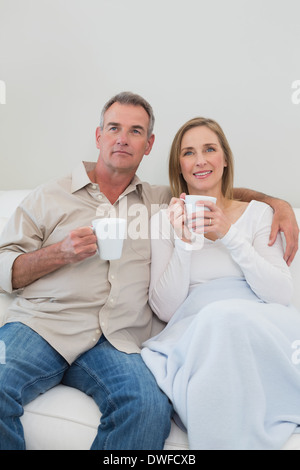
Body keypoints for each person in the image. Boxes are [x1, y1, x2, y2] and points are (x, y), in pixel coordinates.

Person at [0, 94, 298, 450]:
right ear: (99, 136)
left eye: (135, 131)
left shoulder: (161, 202)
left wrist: (277, 204)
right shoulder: (49, 196)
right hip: (44, 325)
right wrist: (58, 254)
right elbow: (5, 267)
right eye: (114, 128)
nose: (123, 138)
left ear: (149, 144)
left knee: (148, 408)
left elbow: (209, 183)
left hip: (116, 340)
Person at [141, 117, 300, 450]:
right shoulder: (164, 220)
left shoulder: (258, 214)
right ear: (180, 167)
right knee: (218, 318)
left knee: (225, 317)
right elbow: (167, 309)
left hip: (261, 322)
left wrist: (229, 234)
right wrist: (184, 242)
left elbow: (281, 293)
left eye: (209, 149)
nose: (200, 160)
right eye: (189, 153)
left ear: (224, 159)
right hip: (199, 330)